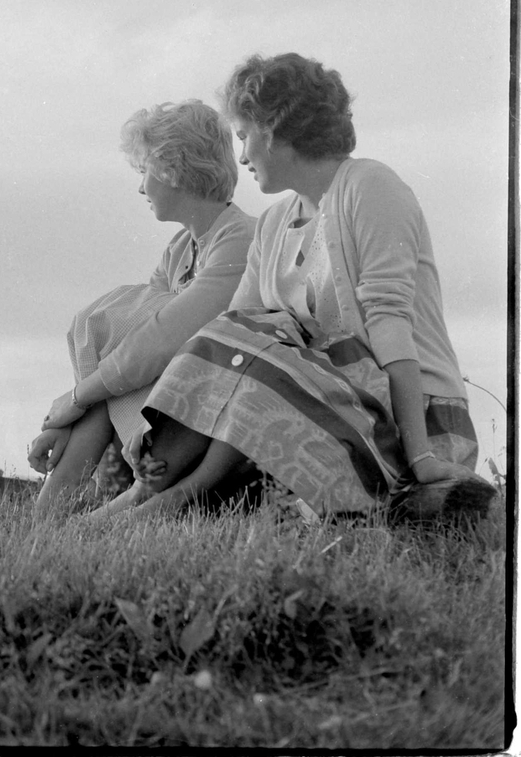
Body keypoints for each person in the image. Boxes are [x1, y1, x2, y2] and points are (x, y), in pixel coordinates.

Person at [95, 53, 480, 522]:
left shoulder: (370, 186)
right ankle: (146, 492)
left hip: (411, 416)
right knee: (235, 334)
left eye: (243, 136)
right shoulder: (275, 223)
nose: (241, 156)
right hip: (314, 411)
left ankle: (179, 495)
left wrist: (418, 453)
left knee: (258, 342)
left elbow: (389, 318)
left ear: (274, 128)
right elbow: (227, 337)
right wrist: (171, 414)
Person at [28, 100, 255, 517]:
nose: (140, 188)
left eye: (144, 173)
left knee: (121, 326)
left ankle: (61, 520)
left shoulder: (240, 241)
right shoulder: (180, 249)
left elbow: (159, 340)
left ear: (173, 170)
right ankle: (46, 521)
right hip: (176, 408)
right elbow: (130, 349)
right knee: (123, 350)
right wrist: (66, 418)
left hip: (215, 420)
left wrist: (74, 400)